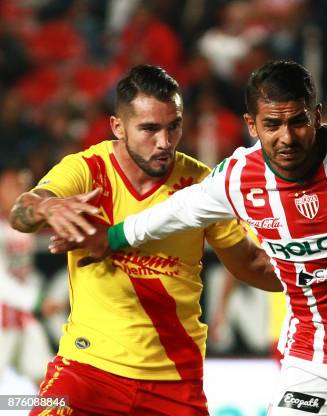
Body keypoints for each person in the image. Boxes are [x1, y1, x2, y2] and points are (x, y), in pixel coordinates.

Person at [48, 61, 327, 415]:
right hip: (310, 358)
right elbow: (173, 213)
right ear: (253, 126)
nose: (286, 137)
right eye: (272, 125)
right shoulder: (235, 179)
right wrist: (109, 237)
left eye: (297, 122)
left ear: (317, 115)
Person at [9, 64, 281, 416]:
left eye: (174, 127)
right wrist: (48, 207)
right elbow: (22, 211)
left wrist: (325, 276)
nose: (164, 142)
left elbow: (250, 264)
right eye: (150, 129)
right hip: (87, 372)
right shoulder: (87, 169)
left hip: (175, 381)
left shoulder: (201, 184)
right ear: (117, 127)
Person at [0, 165, 56, 388]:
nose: (18, 192)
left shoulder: (18, 226)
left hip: (21, 315)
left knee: (50, 383)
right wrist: (37, 300)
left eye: (22, 186)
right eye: (11, 186)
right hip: (4, 314)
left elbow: (25, 271)